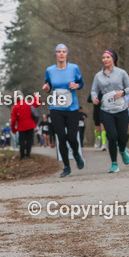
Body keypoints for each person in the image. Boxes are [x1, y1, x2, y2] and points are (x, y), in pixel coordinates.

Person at [42, 44, 85, 177]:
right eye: (59, 51)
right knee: (61, 137)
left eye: (63, 52)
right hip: (56, 108)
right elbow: (48, 86)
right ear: (55, 54)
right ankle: (66, 167)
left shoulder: (74, 68)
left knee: (72, 137)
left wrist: (76, 85)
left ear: (66, 54)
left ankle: (76, 154)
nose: (61, 54)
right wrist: (46, 89)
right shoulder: (50, 70)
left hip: (72, 108)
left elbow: (81, 83)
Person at [90, 49, 129, 172]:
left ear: (113, 59)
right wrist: (94, 97)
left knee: (123, 136)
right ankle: (114, 163)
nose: (105, 59)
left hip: (121, 109)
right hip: (106, 110)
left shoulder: (121, 73)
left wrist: (122, 92)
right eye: (103, 57)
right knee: (112, 136)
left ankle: (123, 150)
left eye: (108, 57)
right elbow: (94, 90)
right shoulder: (98, 76)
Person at [10, 91, 41, 160]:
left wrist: (13, 129)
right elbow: (37, 103)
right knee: (29, 140)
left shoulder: (15, 107)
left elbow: (13, 120)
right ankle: (28, 154)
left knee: (21, 141)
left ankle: (22, 156)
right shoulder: (28, 102)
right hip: (30, 125)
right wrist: (36, 96)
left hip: (21, 127)